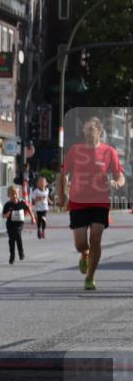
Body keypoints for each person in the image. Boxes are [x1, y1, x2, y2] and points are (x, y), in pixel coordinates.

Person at [57, 116, 125, 291]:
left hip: (99, 201)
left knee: (96, 238)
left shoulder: (109, 152)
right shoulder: (75, 150)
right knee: (80, 244)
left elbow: (120, 176)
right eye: (85, 129)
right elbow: (63, 174)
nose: (87, 132)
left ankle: (90, 277)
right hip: (78, 201)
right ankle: (84, 254)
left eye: (91, 129)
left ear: (99, 131)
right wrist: (61, 195)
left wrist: (116, 183)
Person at [2, 185, 37, 264]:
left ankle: (21, 252)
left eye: (16, 194)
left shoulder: (22, 202)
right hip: (10, 225)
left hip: (19, 224)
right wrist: (6, 215)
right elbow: (3, 215)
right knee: (11, 240)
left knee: (18, 236)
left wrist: (33, 218)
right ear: (9, 195)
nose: (14, 196)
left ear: (18, 194)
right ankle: (12, 255)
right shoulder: (7, 205)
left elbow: (29, 208)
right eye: (12, 194)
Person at [30, 175, 51, 239]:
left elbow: (47, 197)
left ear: (46, 183)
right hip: (38, 208)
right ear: (37, 184)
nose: (42, 183)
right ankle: (39, 230)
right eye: (40, 182)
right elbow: (33, 199)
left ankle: (43, 231)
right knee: (39, 220)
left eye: (43, 182)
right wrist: (38, 199)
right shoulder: (36, 191)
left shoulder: (47, 190)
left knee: (43, 219)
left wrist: (50, 201)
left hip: (45, 207)